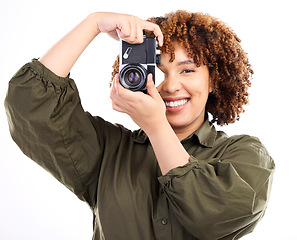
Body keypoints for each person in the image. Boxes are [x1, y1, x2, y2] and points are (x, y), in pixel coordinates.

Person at [4, 10, 275, 240]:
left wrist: (156, 126)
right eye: (156, 71)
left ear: (214, 80)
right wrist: (94, 23)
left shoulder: (244, 155)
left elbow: (213, 217)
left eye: (187, 69)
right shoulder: (108, 150)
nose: (170, 86)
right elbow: (29, 104)